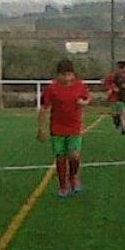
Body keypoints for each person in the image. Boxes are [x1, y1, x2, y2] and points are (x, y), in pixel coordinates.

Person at [38, 58, 91, 198]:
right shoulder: (51, 89)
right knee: (60, 157)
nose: (68, 78)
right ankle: (63, 186)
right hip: (57, 127)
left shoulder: (80, 86)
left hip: (74, 126)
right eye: (64, 75)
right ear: (58, 75)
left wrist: (83, 102)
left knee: (74, 155)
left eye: (70, 75)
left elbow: (87, 99)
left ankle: (73, 177)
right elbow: (44, 109)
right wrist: (41, 129)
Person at [104, 60, 125, 135]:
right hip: (115, 98)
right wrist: (112, 88)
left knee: (123, 114)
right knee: (115, 114)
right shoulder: (114, 76)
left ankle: (124, 128)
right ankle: (117, 124)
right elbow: (108, 83)